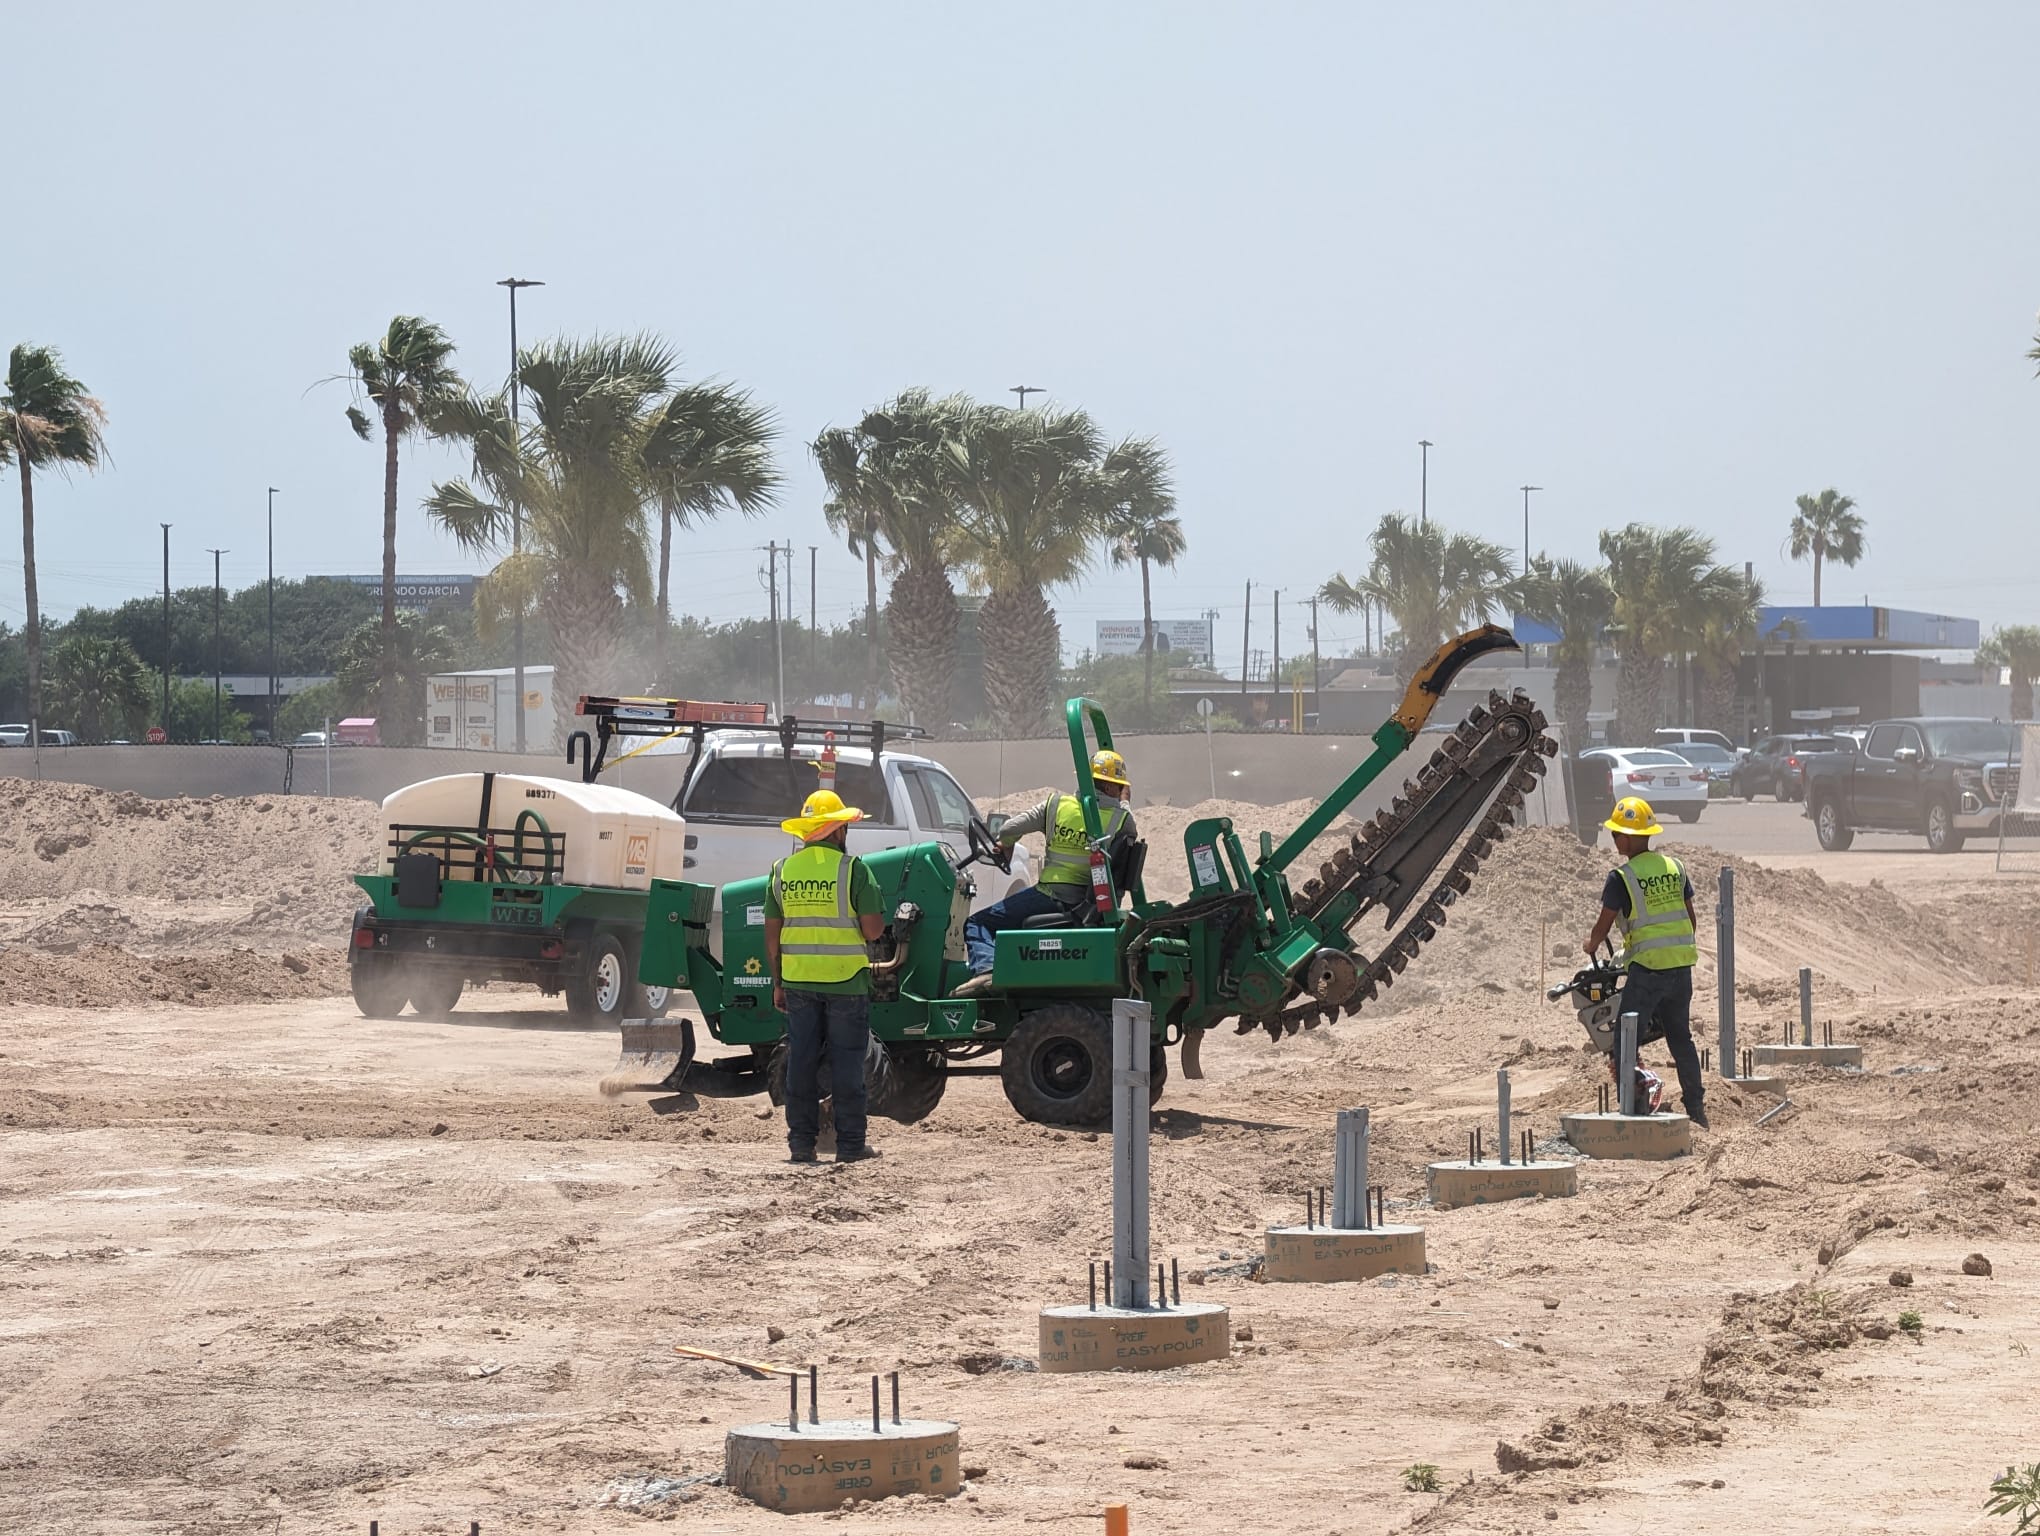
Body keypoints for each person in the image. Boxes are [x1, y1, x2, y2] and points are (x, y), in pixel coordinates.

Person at [952, 750, 1138, 997]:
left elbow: (1009, 828)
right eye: (1120, 787)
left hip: (1050, 895)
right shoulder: (1122, 820)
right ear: (1111, 787)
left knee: (977, 923)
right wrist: (1124, 802)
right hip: (1088, 903)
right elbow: (1126, 821)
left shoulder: (1057, 805)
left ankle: (987, 970)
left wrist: (1006, 844)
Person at [767, 789, 887, 1165]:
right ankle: (850, 1146)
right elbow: (873, 931)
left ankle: (801, 1145)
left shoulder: (782, 871)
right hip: (846, 983)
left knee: (801, 1062)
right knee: (848, 1064)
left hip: (799, 983)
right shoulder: (854, 870)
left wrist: (778, 982)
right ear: (837, 830)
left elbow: (772, 936)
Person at [1581, 795, 1708, 1129]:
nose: (1614, 839)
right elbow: (1690, 919)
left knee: (1626, 1038)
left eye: (1616, 834)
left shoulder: (1621, 877)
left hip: (1649, 969)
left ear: (1627, 838)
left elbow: (1603, 926)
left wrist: (1590, 944)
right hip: (1680, 967)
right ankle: (1696, 1109)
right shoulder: (1675, 867)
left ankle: (1631, 1109)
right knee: (1680, 1037)